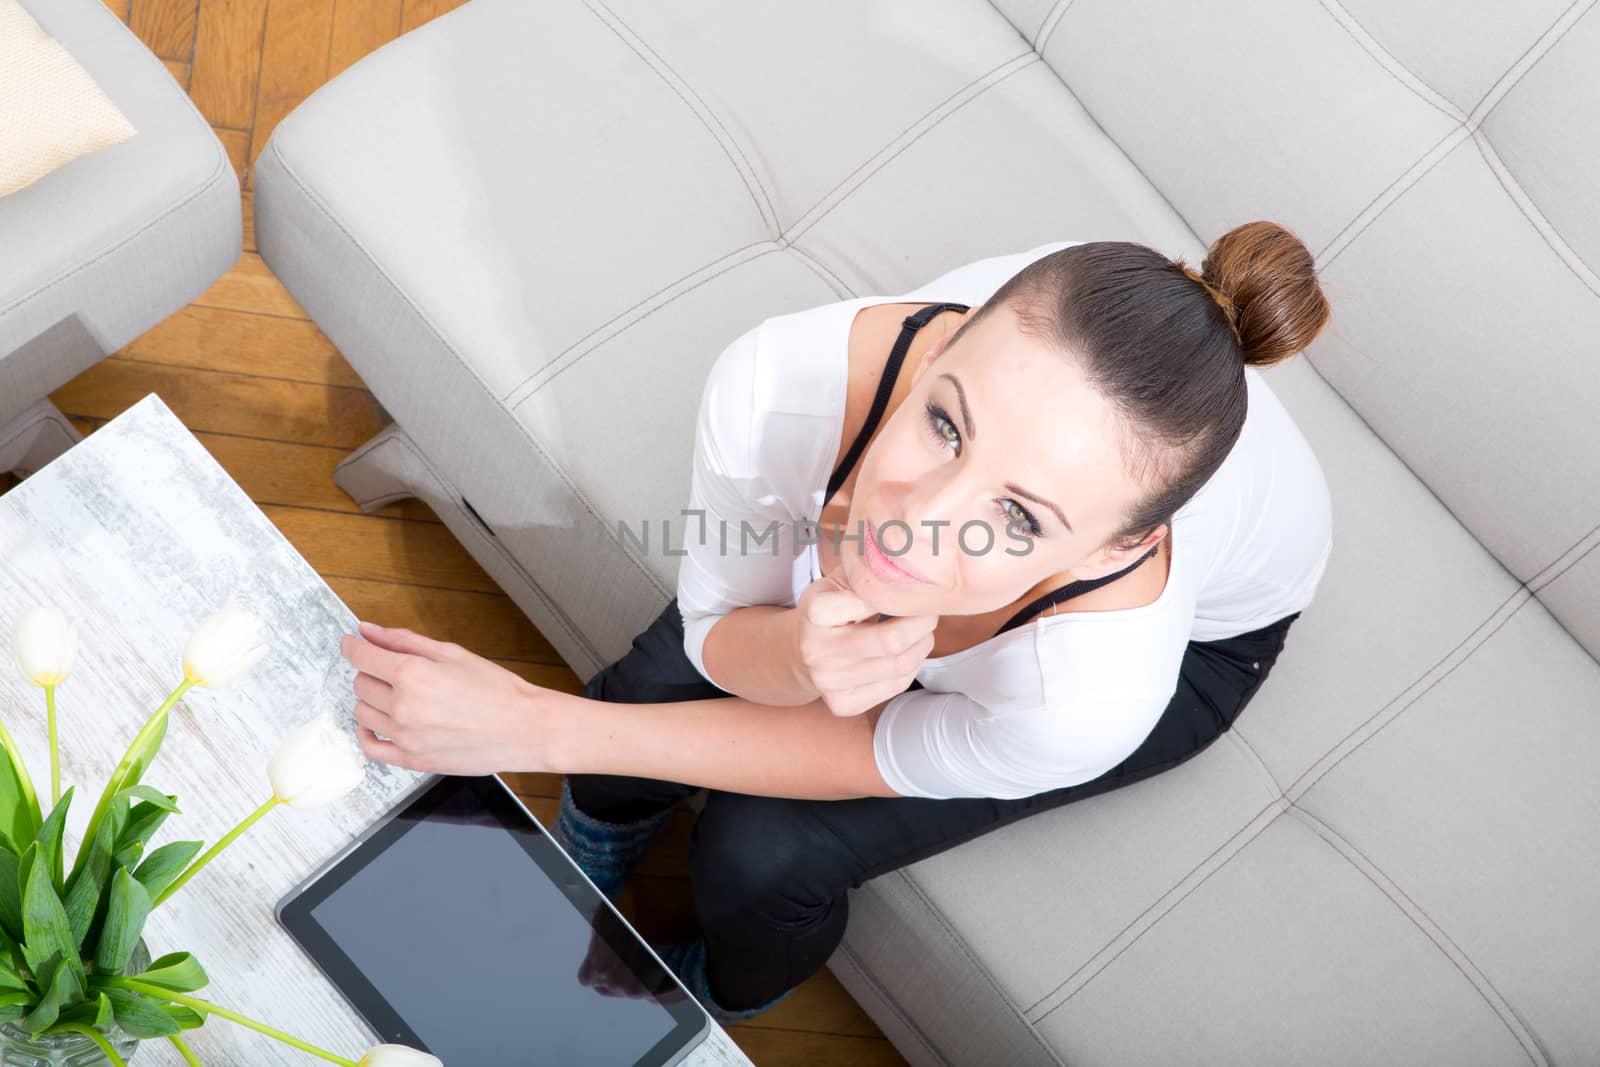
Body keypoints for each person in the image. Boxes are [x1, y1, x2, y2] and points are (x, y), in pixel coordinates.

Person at [338, 223, 1334, 1025]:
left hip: (1206, 648)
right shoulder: (780, 386)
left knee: (762, 849)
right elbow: (719, 628)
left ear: (1109, 550)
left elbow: (866, 750)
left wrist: (530, 723)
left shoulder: (1090, 687)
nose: (917, 518)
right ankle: (600, 829)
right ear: (940, 342)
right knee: (653, 681)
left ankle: (733, 988)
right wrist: (795, 646)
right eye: (944, 423)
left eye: (1016, 514)